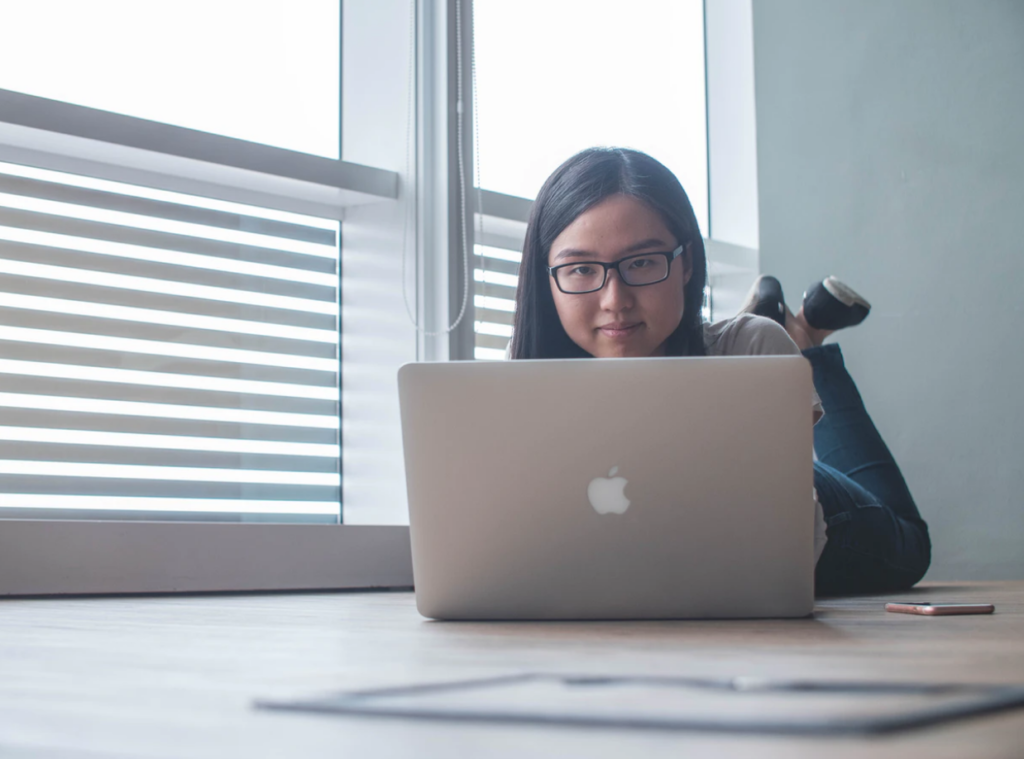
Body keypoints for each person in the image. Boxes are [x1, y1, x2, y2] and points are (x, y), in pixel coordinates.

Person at [508, 147, 931, 596]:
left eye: (642, 263)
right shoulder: (512, 392)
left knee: (911, 542)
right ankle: (803, 333)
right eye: (580, 269)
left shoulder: (754, 346)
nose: (615, 299)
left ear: (686, 263)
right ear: (547, 278)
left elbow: (784, 550)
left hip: (830, 527)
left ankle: (806, 346)